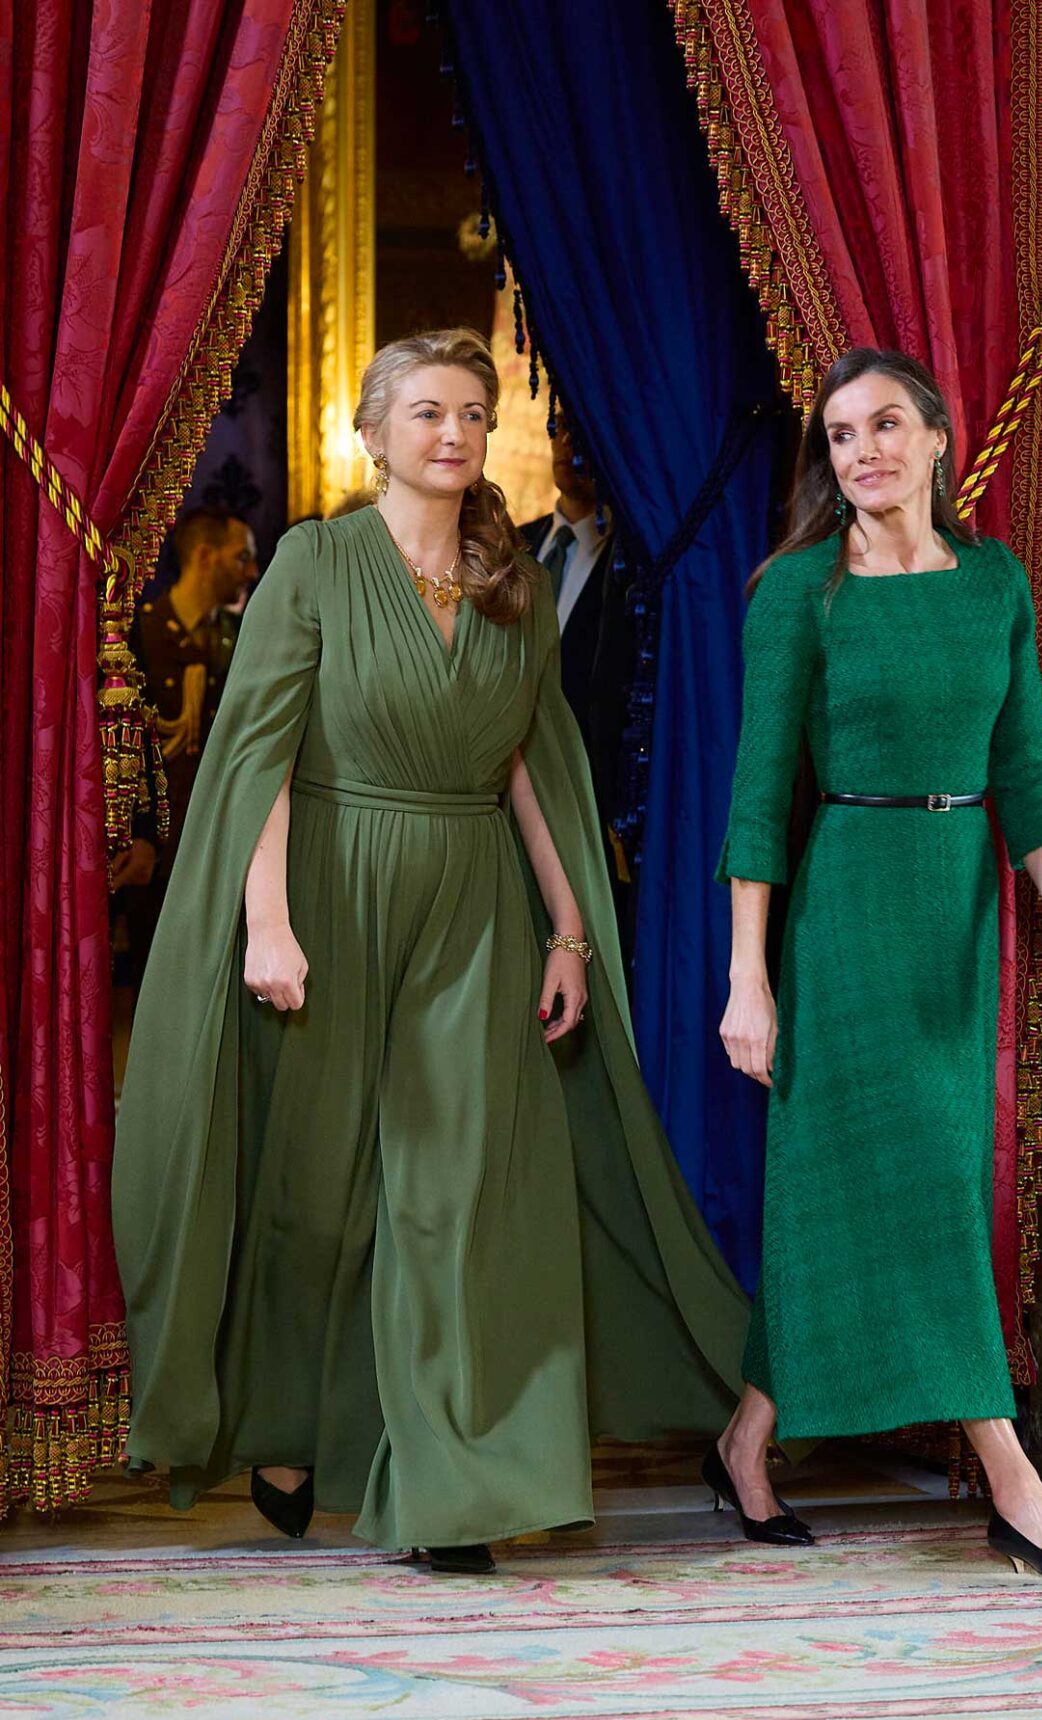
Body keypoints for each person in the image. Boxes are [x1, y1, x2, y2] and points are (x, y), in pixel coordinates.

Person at [112, 328, 747, 1573]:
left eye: (471, 413)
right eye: (426, 412)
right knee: (319, 1196)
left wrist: (568, 931)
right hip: (331, 890)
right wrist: (267, 919)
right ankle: (291, 1420)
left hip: (471, 905)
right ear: (373, 432)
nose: (453, 432)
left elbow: (531, 768)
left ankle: (451, 1484)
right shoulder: (314, 561)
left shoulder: (512, 581)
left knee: (457, 1196)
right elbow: (260, 754)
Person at [710, 347, 1042, 1576]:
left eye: (885, 425)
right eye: (841, 436)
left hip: (958, 913)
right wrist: (748, 976)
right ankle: (1013, 1479)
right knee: (922, 1195)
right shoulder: (800, 591)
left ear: (939, 438)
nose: (864, 452)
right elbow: (757, 799)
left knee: (882, 1186)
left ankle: (745, 1437)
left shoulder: (994, 582)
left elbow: (1027, 773)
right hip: (846, 908)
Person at [118, 508, 258, 981]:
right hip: (159, 849)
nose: (251, 571)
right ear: (204, 556)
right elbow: (127, 746)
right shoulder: (141, 633)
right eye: (240, 558)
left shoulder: (236, 637)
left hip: (220, 845)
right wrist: (137, 834)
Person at [519, 414, 636, 951]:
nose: (570, 444)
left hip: (590, 800)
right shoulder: (513, 546)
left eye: (584, 429)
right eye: (560, 428)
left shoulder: (636, 564)